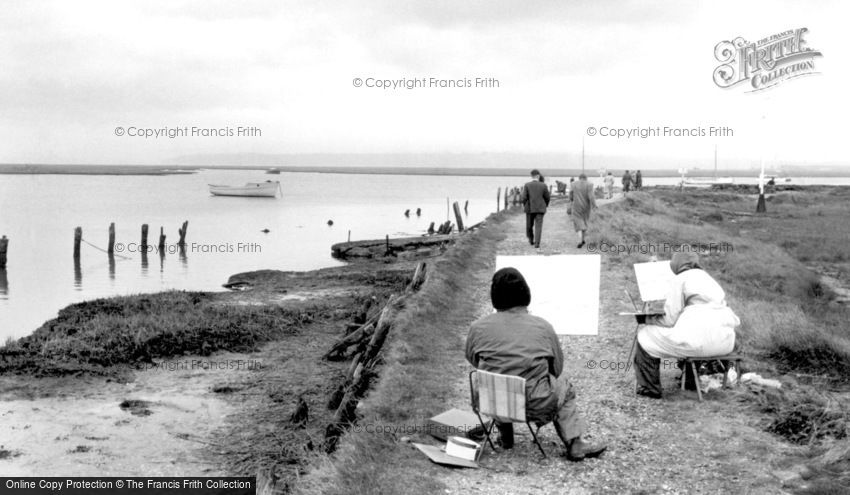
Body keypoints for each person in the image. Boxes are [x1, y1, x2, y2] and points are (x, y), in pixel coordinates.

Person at [466, 268, 607, 461]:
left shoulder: (478, 327)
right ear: (526, 294)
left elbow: (472, 359)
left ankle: (505, 435)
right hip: (534, 405)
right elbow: (557, 369)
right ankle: (575, 443)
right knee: (564, 384)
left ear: (494, 297)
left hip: (491, 402)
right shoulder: (543, 326)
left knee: (496, 378)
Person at [633, 252, 741, 399]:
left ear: (676, 264)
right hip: (724, 343)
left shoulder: (680, 279)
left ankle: (650, 388)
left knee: (646, 335)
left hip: (697, 343)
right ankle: (691, 381)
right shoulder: (709, 279)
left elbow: (669, 320)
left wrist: (647, 319)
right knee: (691, 333)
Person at [520, 169, 551, 248]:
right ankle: (537, 243)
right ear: (538, 176)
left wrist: (525, 205)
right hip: (540, 208)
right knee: (538, 226)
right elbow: (547, 197)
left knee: (529, 225)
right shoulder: (543, 185)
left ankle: (531, 240)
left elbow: (524, 197)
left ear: (531, 176)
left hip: (529, 208)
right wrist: (545, 205)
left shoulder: (527, 185)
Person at [568, 174, 597, 249]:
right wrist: (594, 205)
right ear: (586, 178)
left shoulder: (573, 184)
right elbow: (591, 196)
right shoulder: (589, 184)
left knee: (578, 222)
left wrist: (571, 200)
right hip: (586, 207)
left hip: (576, 206)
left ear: (579, 178)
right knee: (584, 221)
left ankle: (580, 241)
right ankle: (583, 239)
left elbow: (570, 195)